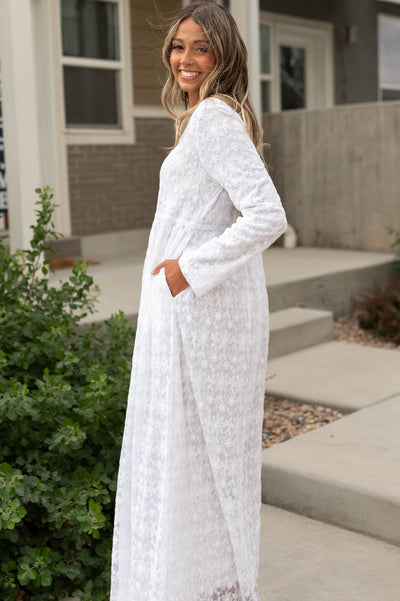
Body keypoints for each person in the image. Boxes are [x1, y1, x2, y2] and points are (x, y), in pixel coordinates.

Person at [110, 2, 287, 600]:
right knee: (194, 460)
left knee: (202, 459)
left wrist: (189, 268)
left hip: (201, 312)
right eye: (179, 45)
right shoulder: (202, 119)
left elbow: (268, 216)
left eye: (201, 48)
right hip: (187, 307)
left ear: (223, 56)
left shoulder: (213, 118)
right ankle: (200, 584)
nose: (186, 59)